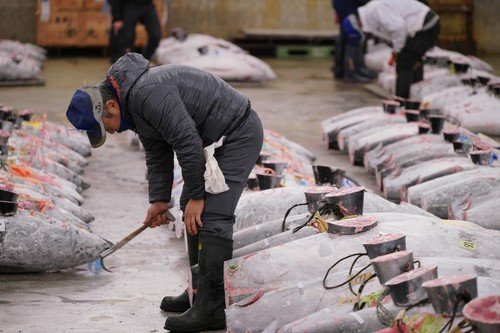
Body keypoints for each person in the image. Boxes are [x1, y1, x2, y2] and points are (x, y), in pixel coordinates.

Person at [66, 52, 264, 332]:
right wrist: (159, 200)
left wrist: (197, 196)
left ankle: (213, 307)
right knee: (190, 210)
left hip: (237, 133)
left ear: (110, 105)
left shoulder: (146, 94)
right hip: (214, 138)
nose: (110, 132)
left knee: (212, 214)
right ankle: (199, 292)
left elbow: (186, 141)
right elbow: (157, 153)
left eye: (105, 125)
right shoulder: (133, 103)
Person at [357, 0, 440, 98]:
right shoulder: (373, 9)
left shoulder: (374, 11)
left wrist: (396, 51)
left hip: (425, 25)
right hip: (428, 23)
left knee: (404, 61)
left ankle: (401, 102)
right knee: (413, 60)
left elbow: (398, 28)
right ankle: (415, 97)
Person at [331, 0, 371, 80]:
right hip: (347, 4)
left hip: (346, 4)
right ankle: (350, 72)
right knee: (352, 36)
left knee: (347, 35)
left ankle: (345, 69)